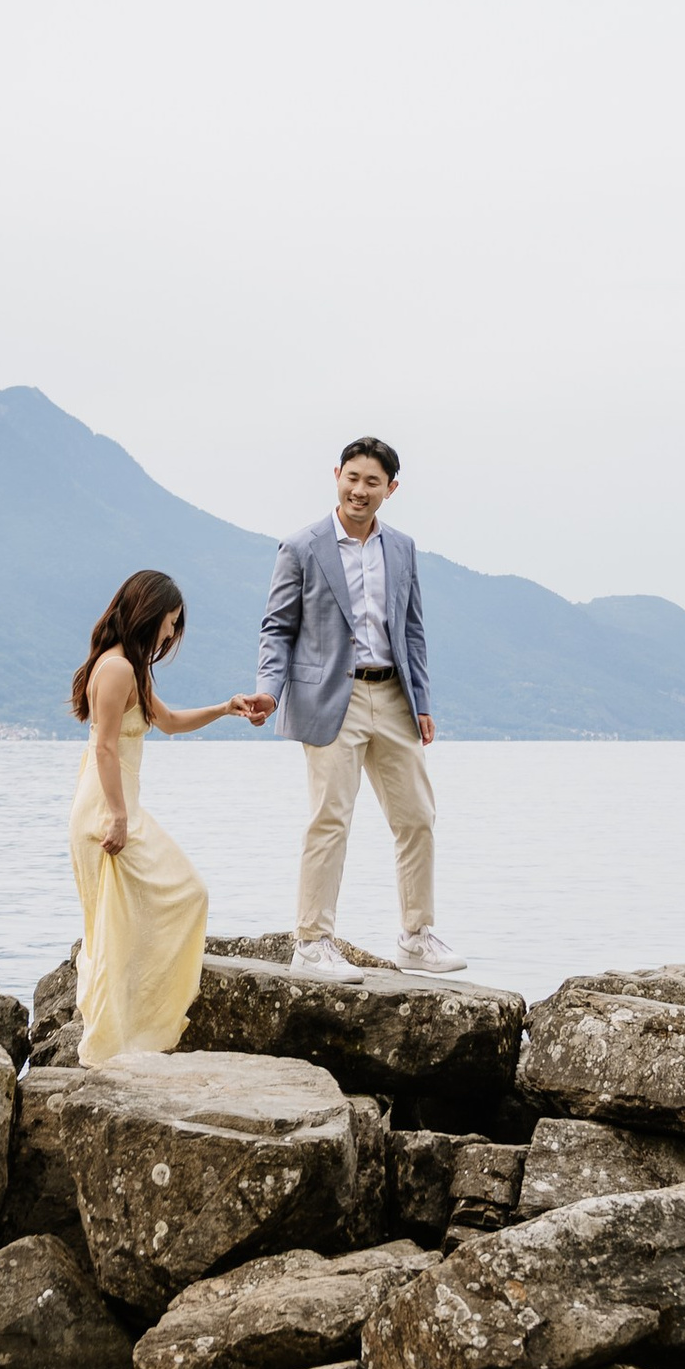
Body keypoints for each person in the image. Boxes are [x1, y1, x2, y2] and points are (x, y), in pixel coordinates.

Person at [245, 436, 463, 979]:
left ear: (391, 489)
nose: (359, 490)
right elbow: (277, 628)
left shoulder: (403, 548)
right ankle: (312, 941)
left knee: (417, 818)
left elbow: (412, 629)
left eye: (373, 482)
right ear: (336, 475)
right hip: (328, 698)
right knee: (330, 820)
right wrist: (269, 691)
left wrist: (423, 701)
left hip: (393, 696)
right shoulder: (302, 546)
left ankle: (415, 936)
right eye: (352, 478)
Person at [68, 568, 260, 1065]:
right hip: (108, 809)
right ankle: (116, 1041)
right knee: (175, 897)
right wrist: (116, 817)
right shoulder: (116, 671)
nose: (172, 634)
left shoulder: (130, 667)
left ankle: (130, 1034)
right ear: (148, 614)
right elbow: (106, 749)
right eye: (171, 622)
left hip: (119, 807)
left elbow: (169, 722)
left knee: (134, 916)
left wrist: (226, 707)